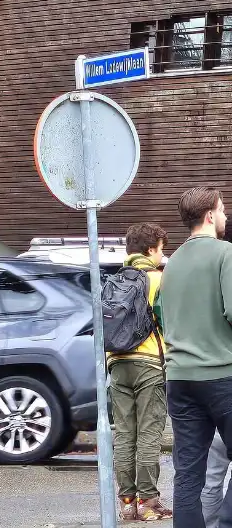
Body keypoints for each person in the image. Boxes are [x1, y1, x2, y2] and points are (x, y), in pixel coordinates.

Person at [158, 186, 232, 527]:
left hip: (180, 379)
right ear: (209, 215)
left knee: (188, 474)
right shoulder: (225, 253)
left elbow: (162, 314)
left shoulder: (170, 264)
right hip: (222, 375)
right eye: (222, 210)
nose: (225, 216)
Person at [108, 223, 172, 521]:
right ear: (150, 250)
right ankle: (148, 500)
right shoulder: (158, 280)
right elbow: (168, 322)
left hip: (117, 363)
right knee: (149, 431)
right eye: (161, 248)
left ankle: (127, 502)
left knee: (124, 432)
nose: (163, 253)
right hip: (148, 364)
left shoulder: (114, 280)